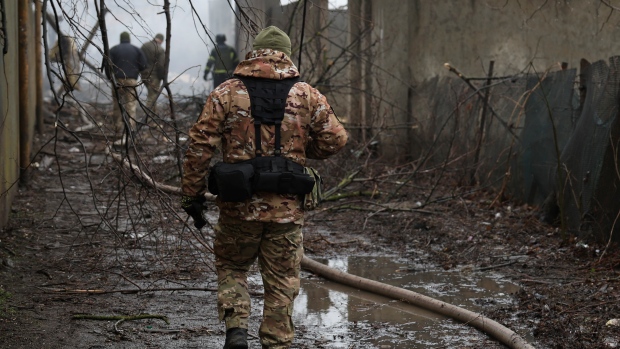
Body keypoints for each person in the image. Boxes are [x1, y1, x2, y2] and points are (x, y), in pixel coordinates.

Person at [181, 26, 347, 349]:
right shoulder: (306, 94)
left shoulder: (226, 92)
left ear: (254, 52)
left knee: (231, 265)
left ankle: (236, 330)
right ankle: (276, 342)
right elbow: (336, 138)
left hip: (238, 206)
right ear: (285, 53)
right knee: (283, 282)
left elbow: (199, 145)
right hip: (286, 212)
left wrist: (192, 194)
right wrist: (299, 149)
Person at [108, 31, 147, 140]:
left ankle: (117, 127)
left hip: (118, 81)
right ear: (129, 39)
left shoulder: (114, 49)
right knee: (131, 104)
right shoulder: (136, 50)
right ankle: (130, 128)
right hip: (131, 80)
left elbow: (108, 64)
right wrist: (136, 71)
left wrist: (111, 78)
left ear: (120, 39)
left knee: (117, 104)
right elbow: (144, 65)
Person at [140, 33, 166, 109]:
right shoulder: (160, 49)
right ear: (161, 40)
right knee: (152, 97)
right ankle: (148, 117)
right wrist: (162, 77)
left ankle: (152, 117)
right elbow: (161, 65)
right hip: (154, 77)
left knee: (151, 95)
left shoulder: (144, 46)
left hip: (144, 74)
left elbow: (139, 59)